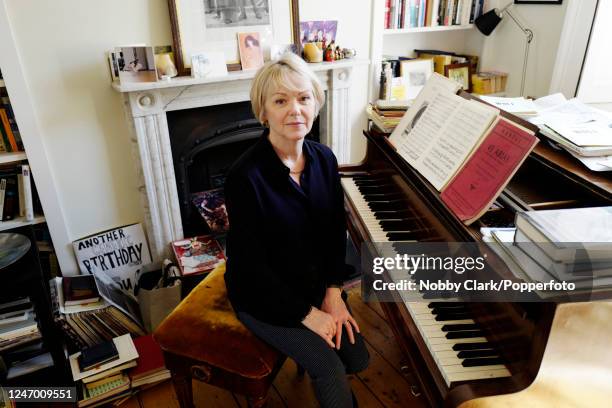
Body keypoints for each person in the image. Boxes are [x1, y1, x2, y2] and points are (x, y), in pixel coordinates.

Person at [224, 53, 369, 407]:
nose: (295, 110)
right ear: (264, 112)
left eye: (303, 98)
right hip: (264, 297)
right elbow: (251, 269)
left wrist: (332, 294)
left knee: (357, 358)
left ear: (315, 104)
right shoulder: (245, 178)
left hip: (314, 285)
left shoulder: (324, 159)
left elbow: (336, 232)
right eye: (280, 101)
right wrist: (308, 315)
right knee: (330, 368)